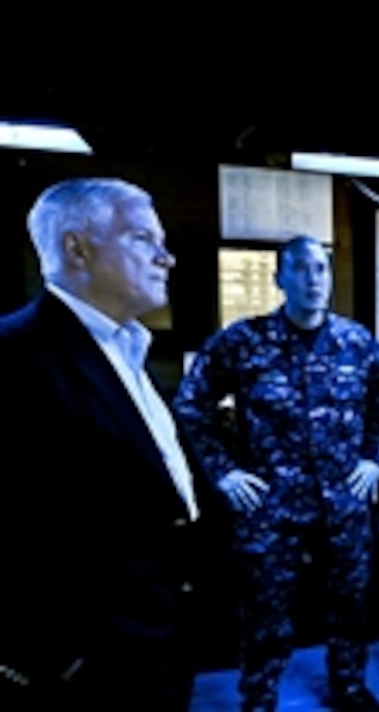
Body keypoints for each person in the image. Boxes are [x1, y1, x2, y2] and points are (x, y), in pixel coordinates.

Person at [0, 178, 213, 710]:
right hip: (90, 672)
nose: (166, 258)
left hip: (162, 646)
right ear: (77, 247)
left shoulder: (129, 348)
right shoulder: (14, 356)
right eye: (143, 238)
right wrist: (51, 661)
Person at [173, 235, 379, 711]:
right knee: (265, 611)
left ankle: (349, 686)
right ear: (280, 278)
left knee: (350, 606)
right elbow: (191, 405)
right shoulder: (243, 341)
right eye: (300, 268)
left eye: (321, 268)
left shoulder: (358, 344)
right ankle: (259, 695)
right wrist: (224, 472)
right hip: (270, 506)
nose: (313, 279)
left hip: (343, 503)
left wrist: (374, 460)